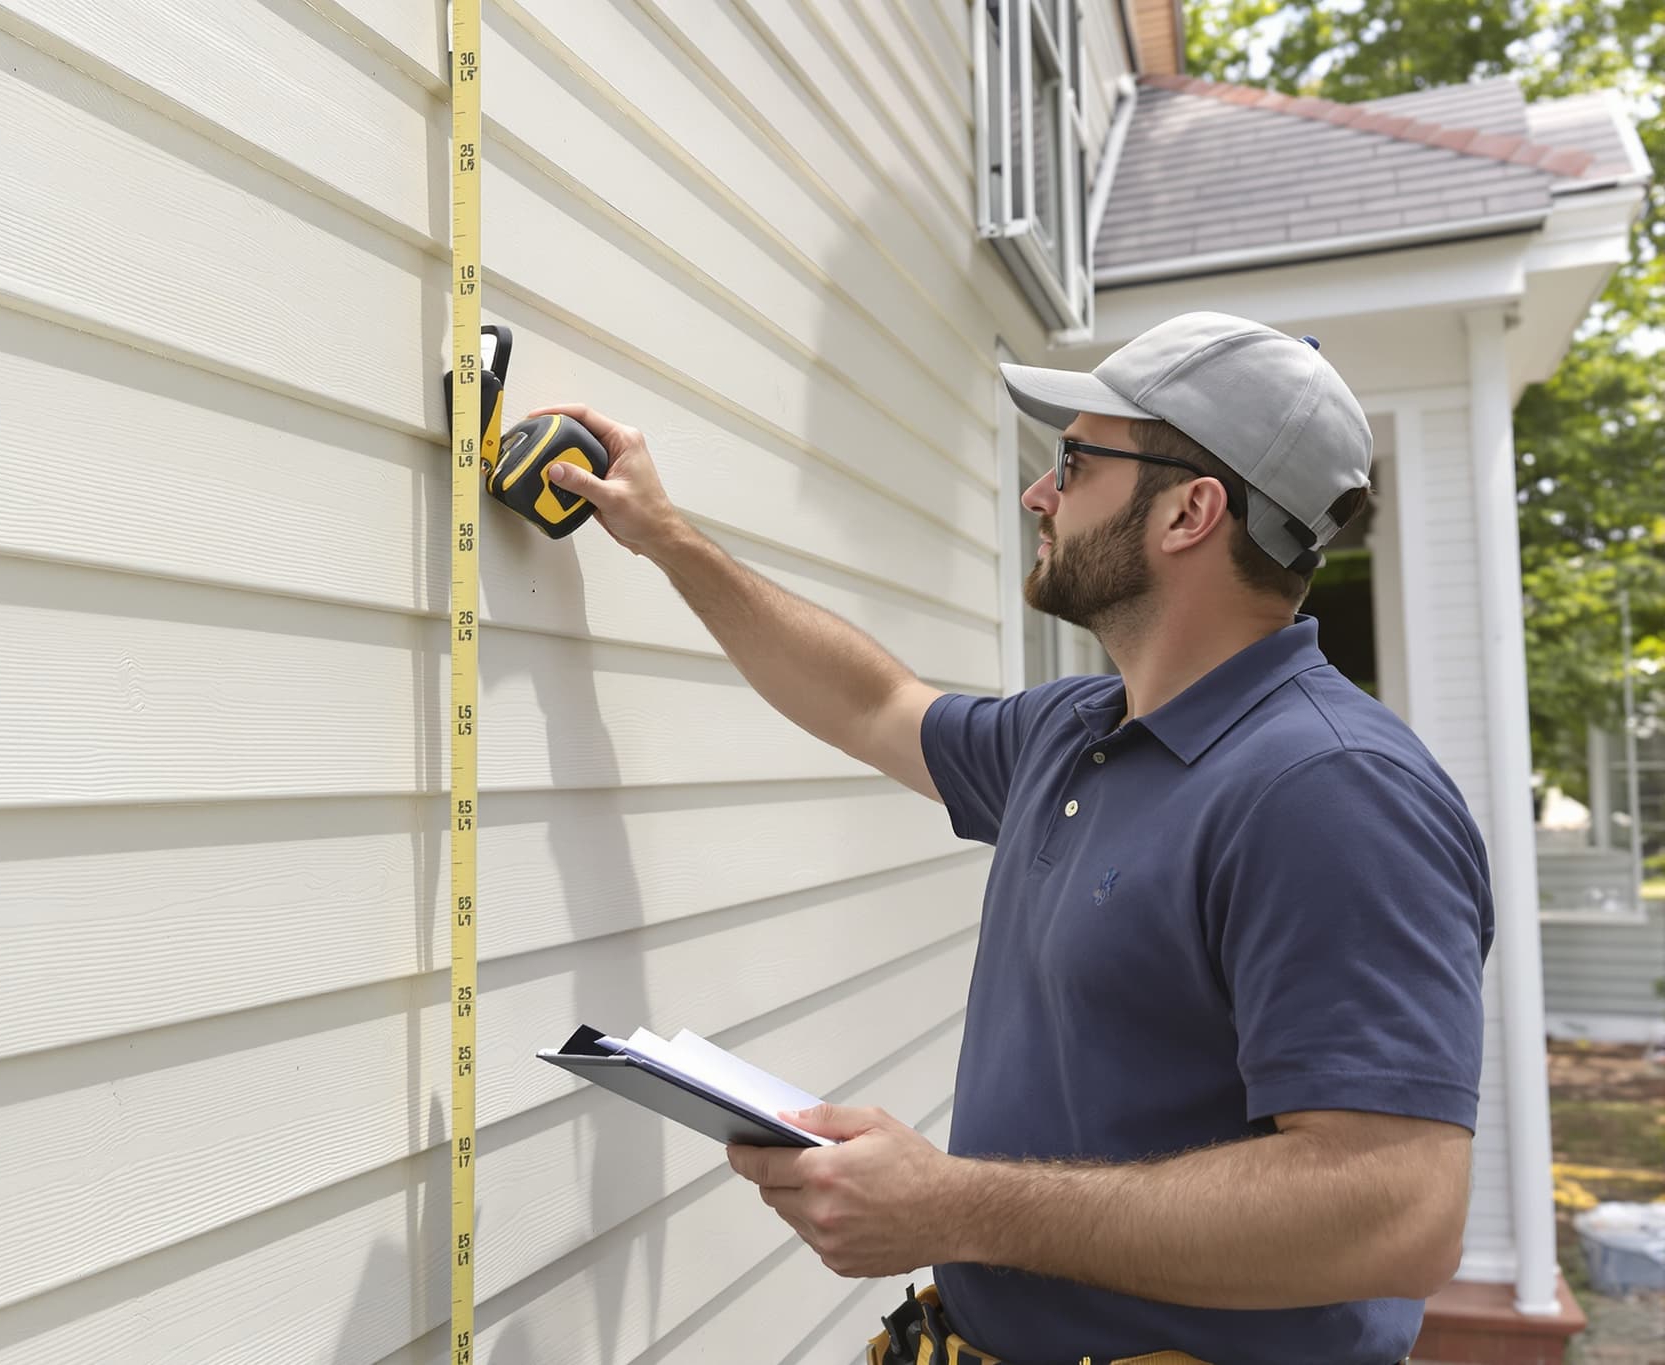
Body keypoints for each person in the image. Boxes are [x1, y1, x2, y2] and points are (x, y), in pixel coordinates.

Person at [531, 311, 1495, 1365]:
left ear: (1188, 511)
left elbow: (1395, 1212)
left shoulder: (1328, 793)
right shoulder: (1076, 731)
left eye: (1074, 462)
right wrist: (664, 536)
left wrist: (955, 1209)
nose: (1039, 492)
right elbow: (869, 704)